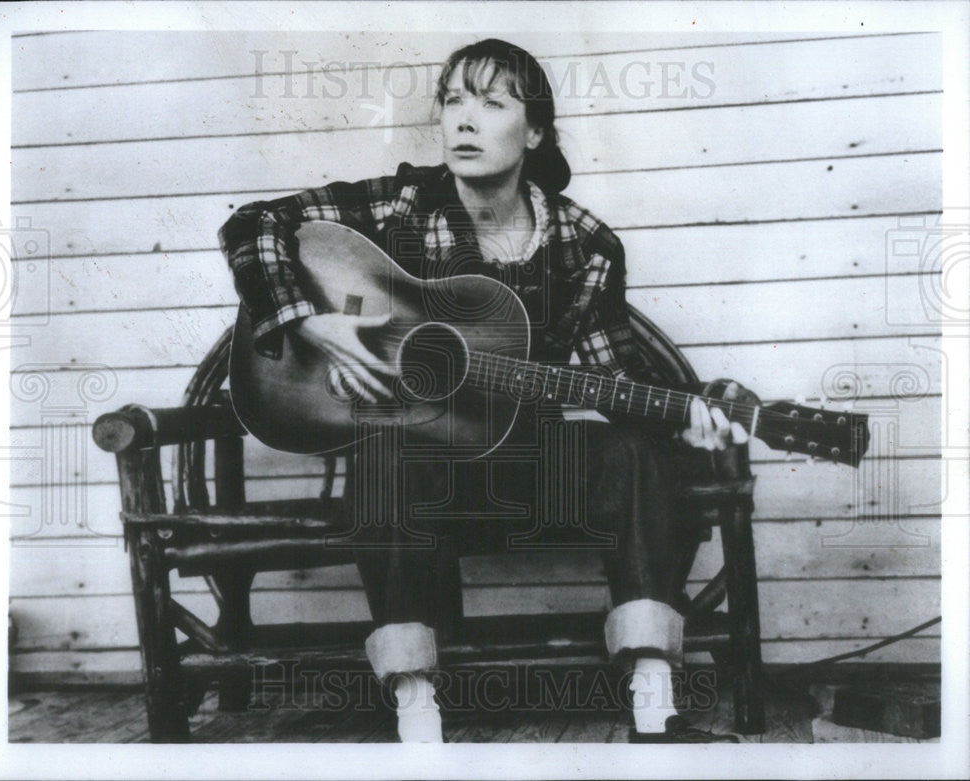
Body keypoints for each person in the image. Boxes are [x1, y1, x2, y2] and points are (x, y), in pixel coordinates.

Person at [219, 38, 759, 743]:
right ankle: (416, 700)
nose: (464, 121)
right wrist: (309, 319)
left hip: (530, 463)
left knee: (634, 446)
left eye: (492, 102)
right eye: (453, 101)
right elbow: (253, 222)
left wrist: (687, 414)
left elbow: (612, 377)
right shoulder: (403, 204)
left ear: (534, 132)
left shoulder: (584, 242)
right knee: (387, 444)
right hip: (426, 472)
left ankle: (652, 691)